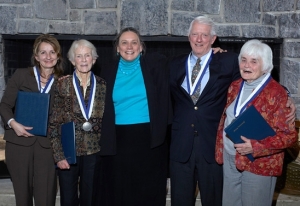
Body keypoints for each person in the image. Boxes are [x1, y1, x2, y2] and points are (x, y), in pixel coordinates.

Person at [168, 16, 296, 206]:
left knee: (215, 200)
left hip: (212, 146)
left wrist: (286, 95)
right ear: (189, 37)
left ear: (213, 39)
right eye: (195, 34)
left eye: (205, 35)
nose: (199, 39)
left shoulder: (228, 61)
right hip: (182, 144)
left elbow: (262, 77)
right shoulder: (173, 64)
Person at [92, 27, 171, 206]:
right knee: (120, 189)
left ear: (141, 47)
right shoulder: (107, 70)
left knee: (146, 189)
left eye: (134, 42)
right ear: (117, 48)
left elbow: (184, 65)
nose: (130, 47)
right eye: (124, 43)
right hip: (117, 139)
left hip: (149, 138)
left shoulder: (156, 65)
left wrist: (212, 53)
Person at [215, 39, 297, 206]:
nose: (247, 65)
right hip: (230, 158)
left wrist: (256, 147)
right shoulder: (235, 86)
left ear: (265, 66)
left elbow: (289, 137)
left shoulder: (277, 94)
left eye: (254, 62)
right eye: (243, 60)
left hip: (259, 163)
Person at [0, 34, 64, 206]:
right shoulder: (21, 75)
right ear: (36, 56)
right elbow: (4, 105)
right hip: (19, 143)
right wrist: (14, 124)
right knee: (23, 198)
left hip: (47, 146)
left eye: (52, 52)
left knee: (46, 198)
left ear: (58, 56)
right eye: (43, 52)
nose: (48, 57)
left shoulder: (63, 82)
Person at [48, 39, 106, 206]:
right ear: (73, 61)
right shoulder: (61, 84)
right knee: (68, 199)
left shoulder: (103, 85)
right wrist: (58, 156)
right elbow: (54, 123)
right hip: (68, 152)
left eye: (87, 55)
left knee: (91, 199)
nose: (83, 60)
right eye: (78, 56)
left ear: (94, 59)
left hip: (95, 152)